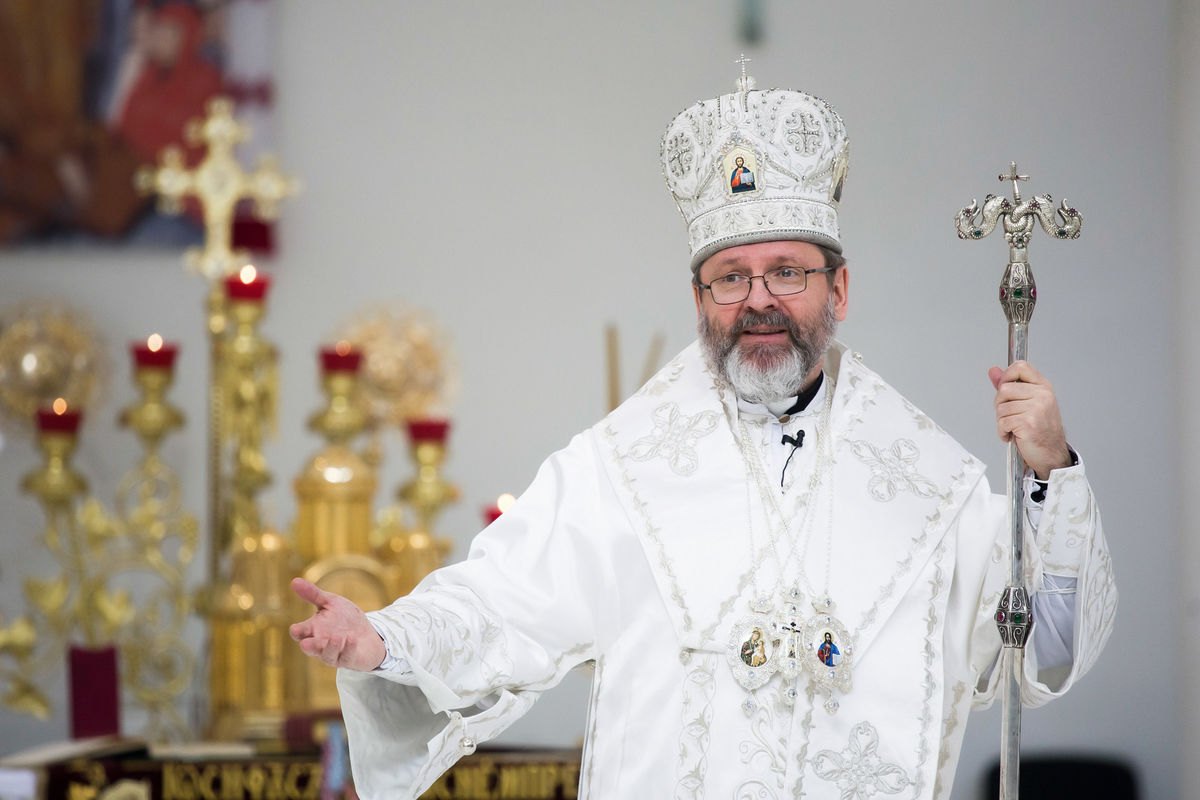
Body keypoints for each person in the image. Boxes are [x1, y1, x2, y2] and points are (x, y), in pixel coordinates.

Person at [290, 69, 1116, 799]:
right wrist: (387, 640)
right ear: (699, 300)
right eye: (730, 277)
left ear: (840, 289)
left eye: (788, 271)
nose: (759, 299)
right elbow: (500, 604)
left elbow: (1038, 643)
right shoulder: (623, 465)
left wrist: (1049, 473)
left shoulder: (928, 483)